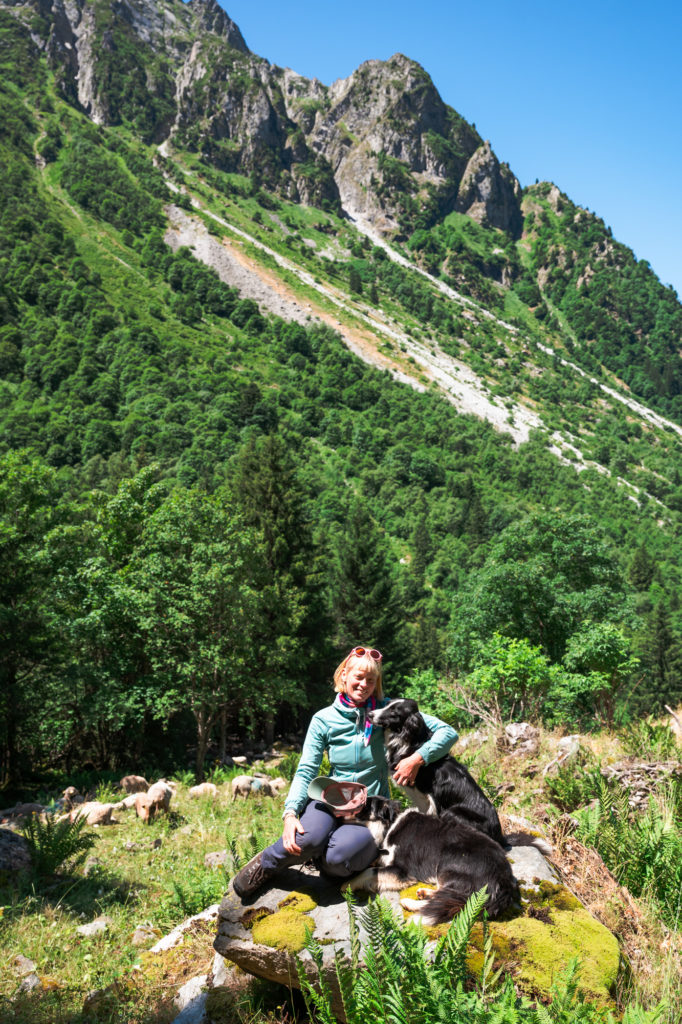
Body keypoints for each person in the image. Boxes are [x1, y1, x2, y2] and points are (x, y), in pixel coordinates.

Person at [232, 645, 458, 898]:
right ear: (344, 676)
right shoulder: (324, 719)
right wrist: (290, 813)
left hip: (370, 809)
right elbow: (306, 769)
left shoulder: (389, 711)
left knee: (338, 862)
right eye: (358, 677)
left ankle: (325, 856)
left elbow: (448, 733)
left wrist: (416, 759)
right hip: (329, 800)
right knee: (306, 839)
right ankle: (268, 862)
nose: (364, 685)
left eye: (371, 680)